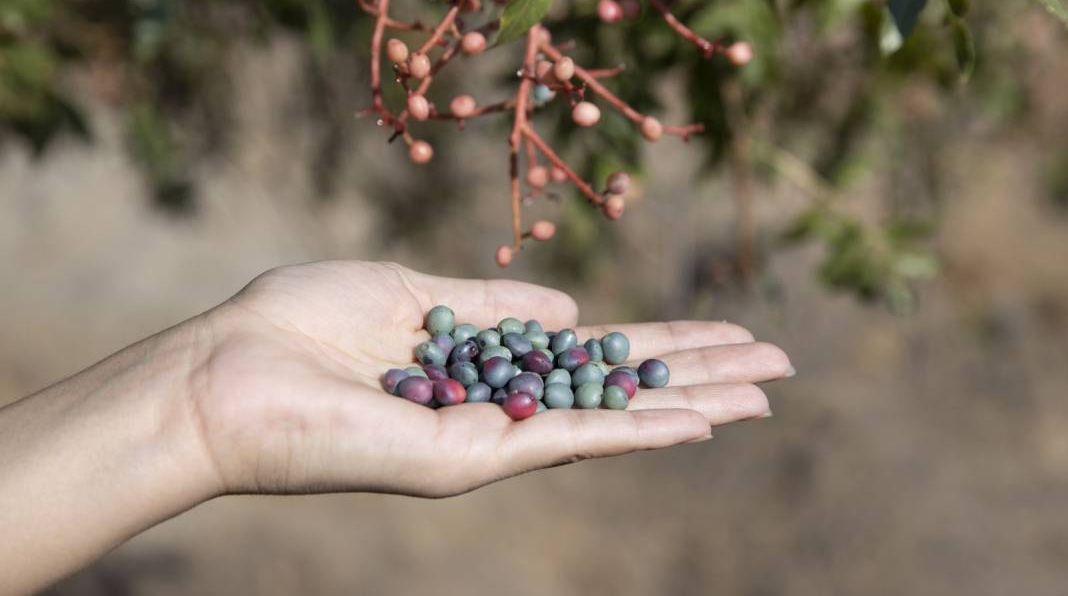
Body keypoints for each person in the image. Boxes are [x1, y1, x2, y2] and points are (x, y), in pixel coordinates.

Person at [0, 261, 792, 594]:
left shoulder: (514, 365)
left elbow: (528, 372)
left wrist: (192, 394)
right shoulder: (477, 365)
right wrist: (196, 398)